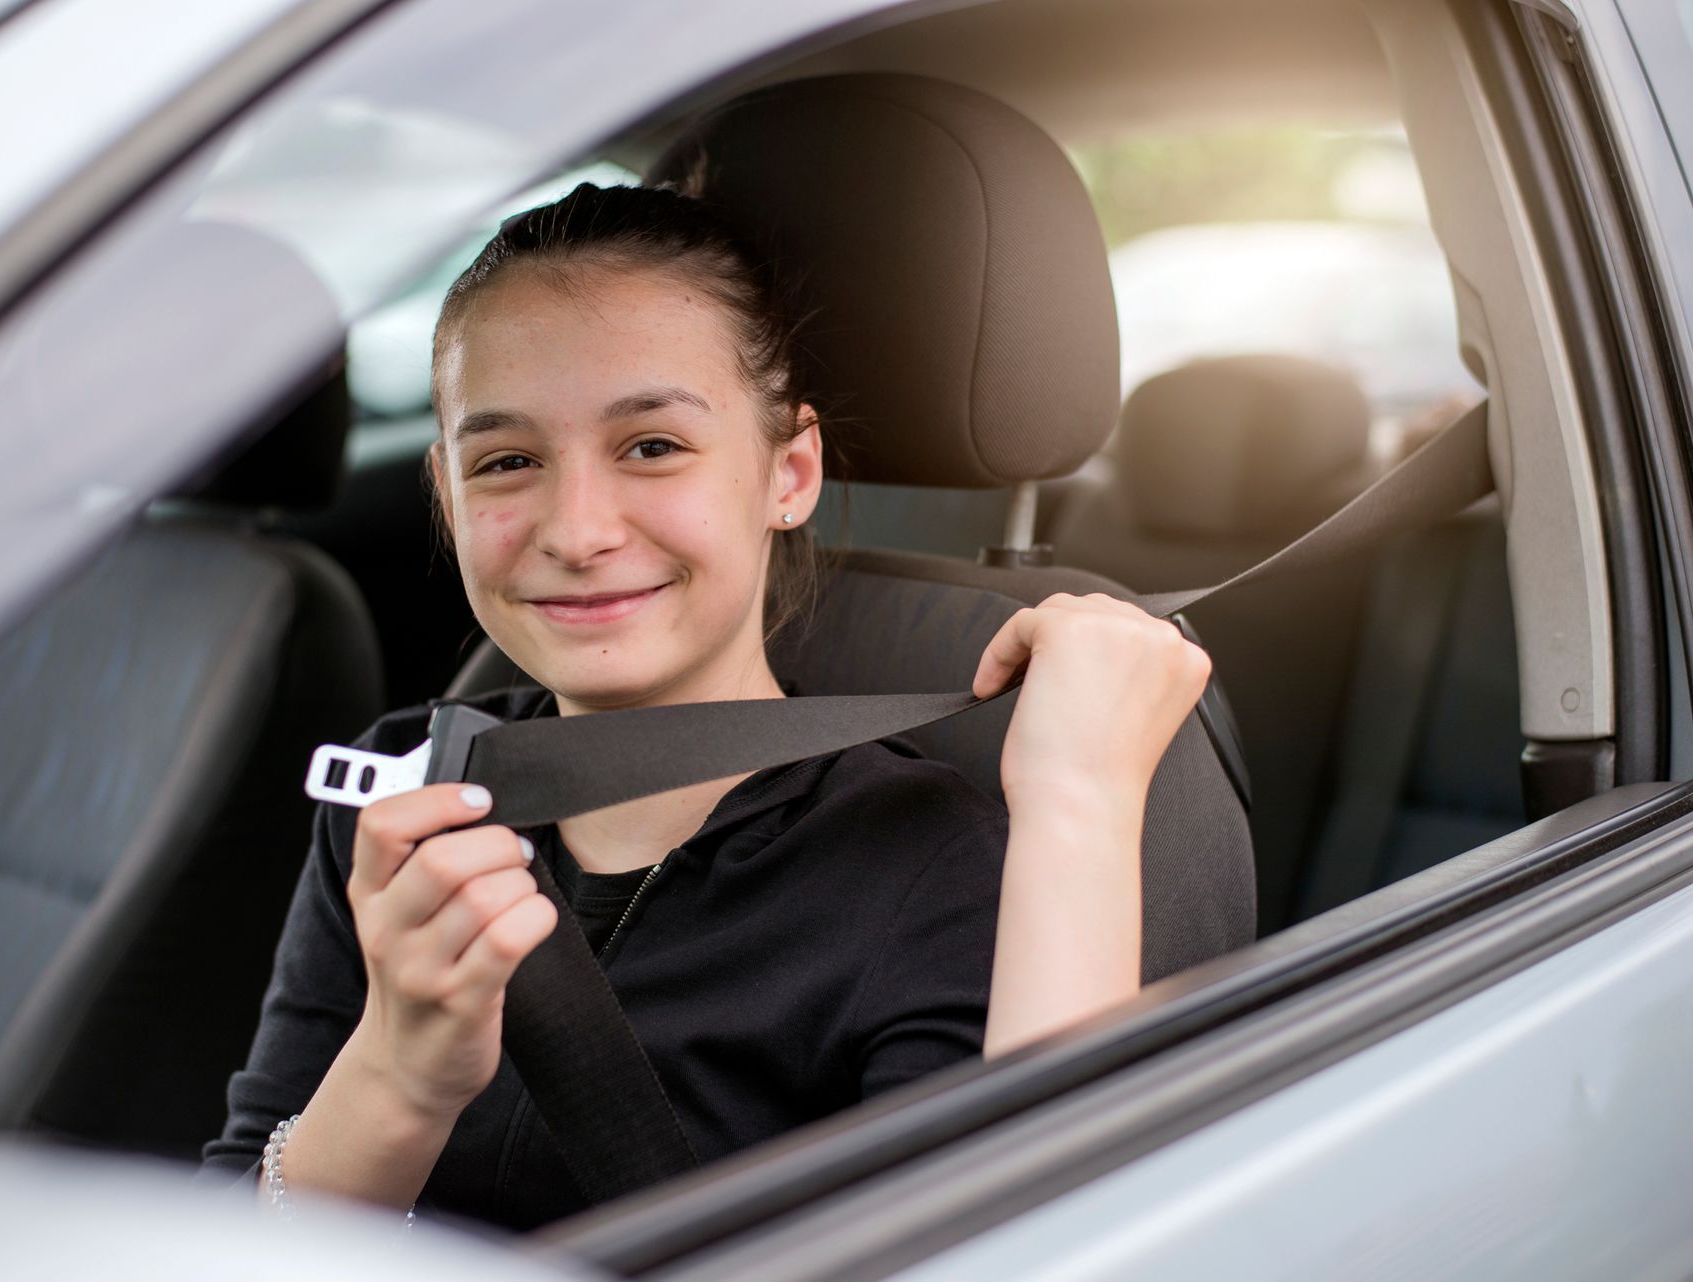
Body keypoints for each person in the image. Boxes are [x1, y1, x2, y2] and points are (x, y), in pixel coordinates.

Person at [201, 183, 1210, 1229]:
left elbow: (1031, 1245)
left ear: (791, 470)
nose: (577, 529)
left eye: (652, 446)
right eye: (507, 462)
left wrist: (1078, 801)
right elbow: (230, 1241)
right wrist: (398, 1076)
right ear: (447, 496)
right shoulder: (409, 795)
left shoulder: (920, 865)